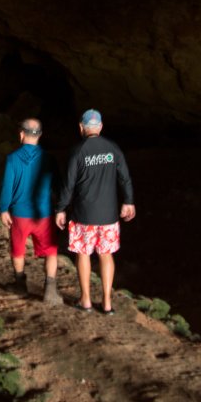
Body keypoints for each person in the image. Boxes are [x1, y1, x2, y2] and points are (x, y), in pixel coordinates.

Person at [55, 109, 135, 315]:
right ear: (100, 127)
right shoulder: (113, 149)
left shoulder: (77, 151)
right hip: (108, 215)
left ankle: (86, 301)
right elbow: (124, 177)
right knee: (106, 255)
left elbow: (68, 185)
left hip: (83, 215)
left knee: (83, 254)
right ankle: (107, 303)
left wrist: (61, 208)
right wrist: (128, 201)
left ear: (81, 127)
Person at [0, 118, 62, 305]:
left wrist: (3, 209)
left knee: (18, 251)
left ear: (21, 134)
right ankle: (50, 290)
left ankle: (20, 285)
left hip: (19, 215)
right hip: (43, 214)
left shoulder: (12, 159)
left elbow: (7, 187)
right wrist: (60, 209)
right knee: (51, 251)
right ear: (40, 135)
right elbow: (58, 187)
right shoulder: (49, 159)